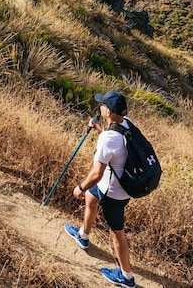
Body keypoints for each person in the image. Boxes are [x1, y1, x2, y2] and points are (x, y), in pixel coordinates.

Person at [63, 91, 136, 288]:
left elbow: (96, 173)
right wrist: (98, 130)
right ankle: (83, 236)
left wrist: (79, 187)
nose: (100, 107)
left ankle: (127, 277)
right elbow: (117, 145)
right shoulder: (126, 123)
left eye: (102, 105)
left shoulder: (108, 139)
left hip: (112, 192)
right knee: (91, 197)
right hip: (118, 186)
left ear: (108, 111)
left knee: (116, 233)